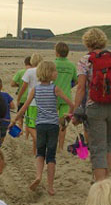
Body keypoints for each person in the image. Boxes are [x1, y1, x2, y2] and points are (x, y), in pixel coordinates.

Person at [72, 27, 111, 181]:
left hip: (95, 106)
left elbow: (81, 88)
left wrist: (76, 110)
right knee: (110, 144)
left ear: (87, 43)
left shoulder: (85, 60)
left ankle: (101, 185)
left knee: (98, 149)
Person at [12, 60, 75, 195]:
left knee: (40, 153)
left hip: (40, 124)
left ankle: (38, 176)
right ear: (50, 73)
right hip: (53, 125)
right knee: (51, 156)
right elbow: (71, 103)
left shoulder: (35, 89)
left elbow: (24, 107)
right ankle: (50, 187)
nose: (56, 73)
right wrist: (67, 117)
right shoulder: (55, 89)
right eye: (54, 71)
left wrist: (15, 120)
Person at [53, 42, 78, 151]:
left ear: (56, 52)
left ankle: (52, 145)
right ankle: (61, 147)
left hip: (53, 95)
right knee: (63, 125)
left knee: (52, 123)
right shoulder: (71, 65)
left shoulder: (53, 64)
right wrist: (69, 86)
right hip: (66, 97)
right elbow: (76, 81)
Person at [16, 53, 42, 153]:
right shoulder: (43, 72)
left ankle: (37, 142)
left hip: (32, 103)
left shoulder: (29, 71)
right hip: (42, 103)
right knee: (38, 126)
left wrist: (19, 98)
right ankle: (35, 151)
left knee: (30, 125)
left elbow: (23, 87)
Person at [0, 77, 15, 146]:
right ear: (1, 87)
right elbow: (13, 106)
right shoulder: (6, 95)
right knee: (2, 136)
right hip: (5, 121)